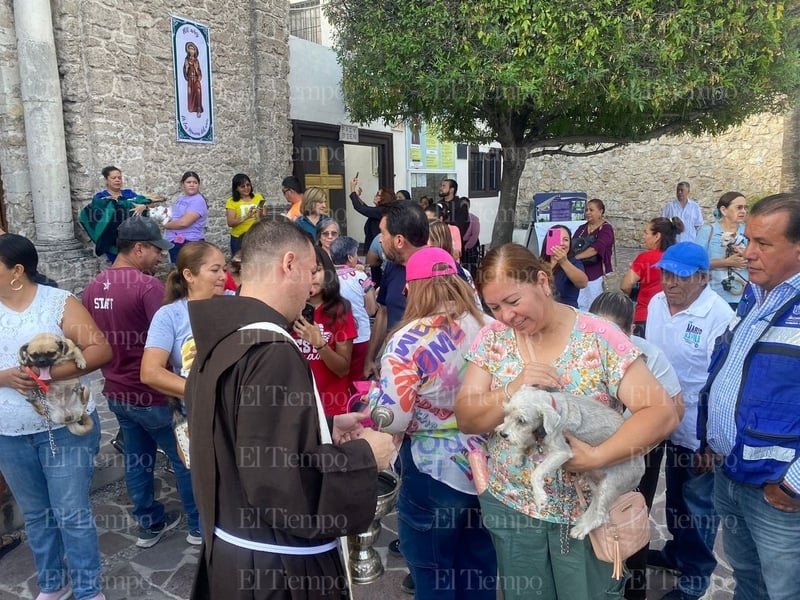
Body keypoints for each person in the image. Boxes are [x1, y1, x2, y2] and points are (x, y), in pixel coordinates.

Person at [184, 217, 396, 600]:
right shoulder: (272, 351)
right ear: (289, 264)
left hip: (236, 553)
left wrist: (325, 424)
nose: (313, 281)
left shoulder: (225, 336)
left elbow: (239, 433)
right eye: (312, 268)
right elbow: (283, 484)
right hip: (278, 574)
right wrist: (366, 455)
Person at [454, 243, 679, 600]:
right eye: (494, 307)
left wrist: (597, 457)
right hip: (515, 508)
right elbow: (467, 418)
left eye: (513, 301)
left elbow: (661, 413)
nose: (505, 316)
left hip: (587, 513)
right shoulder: (492, 338)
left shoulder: (599, 338)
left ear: (543, 281)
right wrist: (513, 387)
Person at [367, 247, 497, 599]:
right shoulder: (488, 325)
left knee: (434, 571)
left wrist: (374, 399)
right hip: (488, 463)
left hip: (432, 470)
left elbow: (394, 418)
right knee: (480, 564)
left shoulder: (406, 342)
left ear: (412, 289)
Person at [698, 193, 800, 600]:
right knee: (749, 580)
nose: (747, 252)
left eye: (763, 244)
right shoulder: (755, 297)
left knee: (785, 590)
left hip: (777, 492)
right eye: (747, 239)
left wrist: (793, 485)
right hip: (732, 476)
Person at [0, 233, 112, 600]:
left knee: (71, 513)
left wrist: (46, 375)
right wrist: (4, 377)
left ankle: (87, 590)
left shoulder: (57, 302)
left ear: (16, 270)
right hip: (9, 432)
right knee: (35, 515)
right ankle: (52, 584)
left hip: (64, 428)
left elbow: (99, 349)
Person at [83, 217, 198, 549]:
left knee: (137, 458)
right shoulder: (147, 287)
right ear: (138, 248)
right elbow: (171, 336)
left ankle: (149, 524)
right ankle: (198, 527)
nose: (161, 258)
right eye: (156, 251)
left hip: (117, 391)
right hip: (154, 393)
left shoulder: (93, 286)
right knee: (185, 458)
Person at [645, 242, 732, 600]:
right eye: (666, 273)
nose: (669, 283)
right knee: (674, 500)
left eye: (679, 276)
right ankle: (675, 553)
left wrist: (710, 441)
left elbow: (721, 382)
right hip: (657, 420)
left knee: (698, 506)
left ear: (703, 278)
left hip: (698, 430)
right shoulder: (655, 304)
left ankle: (695, 576)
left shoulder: (720, 316)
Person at [588, 292, 684, 600]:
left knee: (630, 519)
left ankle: (633, 589)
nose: (603, 343)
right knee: (593, 524)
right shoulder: (578, 352)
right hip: (589, 451)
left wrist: (634, 446)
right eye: (596, 333)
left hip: (639, 450)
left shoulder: (649, 357)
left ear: (630, 333)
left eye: (613, 335)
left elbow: (676, 410)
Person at [363, 200, 429, 379]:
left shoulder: (446, 271)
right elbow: (383, 312)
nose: (380, 239)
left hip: (431, 377)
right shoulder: (392, 267)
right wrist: (370, 359)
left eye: (383, 233)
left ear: (399, 240)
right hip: (394, 367)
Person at [292, 247, 358, 416]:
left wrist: (320, 344)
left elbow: (343, 368)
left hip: (332, 406)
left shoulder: (340, 310)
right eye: (304, 271)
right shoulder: (288, 310)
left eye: (316, 270)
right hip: (297, 408)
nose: (311, 277)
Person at [80, 166, 163, 262]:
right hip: (113, 238)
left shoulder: (129, 194)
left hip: (133, 238)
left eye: (119, 178)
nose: (117, 180)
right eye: (113, 178)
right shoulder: (101, 197)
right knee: (120, 265)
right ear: (106, 180)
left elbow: (144, 202)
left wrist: (144, 206)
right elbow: (97, 214)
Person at [620, 216, 685, 335]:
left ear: (657, 236)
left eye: (646, 233)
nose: (644, 237)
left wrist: (633, 294)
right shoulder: (679, 258)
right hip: (673, 318)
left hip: (645, 316)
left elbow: (625, 285)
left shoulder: (645, 258)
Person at [330, 236, 376, 385]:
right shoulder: (360, 277)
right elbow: (371, 310)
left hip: (335, 338)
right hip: (360, 336)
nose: (357, 257)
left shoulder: (326, 278)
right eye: (356, 254)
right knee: (357, 380)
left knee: (338, 378)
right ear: (350, 257)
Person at [695, 191, 749, 309]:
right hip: (714, 295)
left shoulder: (749, 231)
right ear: (724, 210)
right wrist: (726, 262)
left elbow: (761, 261)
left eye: (745, 208)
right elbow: (695, 263)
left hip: (744, 296)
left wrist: (746, 256)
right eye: (739, 207)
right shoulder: (708, 231)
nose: (743, 211)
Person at [572, 198, 615, 310]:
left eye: (591, 210)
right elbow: (573, 245)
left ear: (600, 211)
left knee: (596, 308)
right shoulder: (582, 229)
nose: (587, 213)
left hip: (598, 274)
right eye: (586, 210)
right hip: (582, 273)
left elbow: (597, 248)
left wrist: (575, 257)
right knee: (581, 306)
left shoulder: (606, 229)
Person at [349, 176, 393, 286]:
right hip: (375, 249)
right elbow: (367, 209)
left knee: (377, 278)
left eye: (378, 194)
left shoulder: (382, 211)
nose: (375, 196)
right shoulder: (380, 211)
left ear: (383, 198)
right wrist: (358, 198)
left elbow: (362, 209)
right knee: (375, 277)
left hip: (378, 250)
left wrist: (352, 190)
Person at [164, 171, 208, 264]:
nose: (192, 185)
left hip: (190, 242)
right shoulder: (181, 199)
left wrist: (165, 225)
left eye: (195, 182)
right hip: (176, 241)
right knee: (177, 271)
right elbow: (174, 216)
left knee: (186, 271)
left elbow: (184, 223)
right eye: (189, 182)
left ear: (199, 185)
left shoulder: (198, 200)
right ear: (182, 184)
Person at [540, 224, 588, 308]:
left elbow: (582, 283)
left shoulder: (574, 263)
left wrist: (564, 262)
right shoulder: (539, 263)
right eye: (557, 239)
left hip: (566, 312)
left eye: (566, 240)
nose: (562, 243)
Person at [225, 173, 264, 255]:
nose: (246, 188)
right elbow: (230, 223)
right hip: (238, 238)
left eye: (248, 185)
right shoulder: (231, 202)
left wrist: (260, 213)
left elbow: (263, 219)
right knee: (239, 263)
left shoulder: (258, 197)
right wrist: (247, 216)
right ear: (236, 188)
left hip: (256, 236)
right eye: (242, 186)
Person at [438, 179, 469, 250]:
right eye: (441, 186)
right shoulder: (439, 204)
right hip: (439, 243)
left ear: (452, 190)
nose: (441, 188)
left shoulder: (460, 206)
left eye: (444, 186)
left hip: (454, 245)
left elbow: (461, 227)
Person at [462, 197, 482, 278]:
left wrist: (466, 247)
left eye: (465, 205)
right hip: (460, 244)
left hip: (471, 245)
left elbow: (474, 235)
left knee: (471, 267)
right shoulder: (456, 219)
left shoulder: (474, 219)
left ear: (469, 206)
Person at [183, 42, 203, 117]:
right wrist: (187, 68)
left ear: (195, 51)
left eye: (193, 49)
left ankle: (198, 110)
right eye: (190, 49)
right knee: (190, 94)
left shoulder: (196, 61)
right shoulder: (186, 60)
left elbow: (200, 73)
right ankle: (192, 109)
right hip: (190, 81)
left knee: (198, 91)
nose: (191, 51)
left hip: (196, 80)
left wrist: (196, 68)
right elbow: (185, 71)